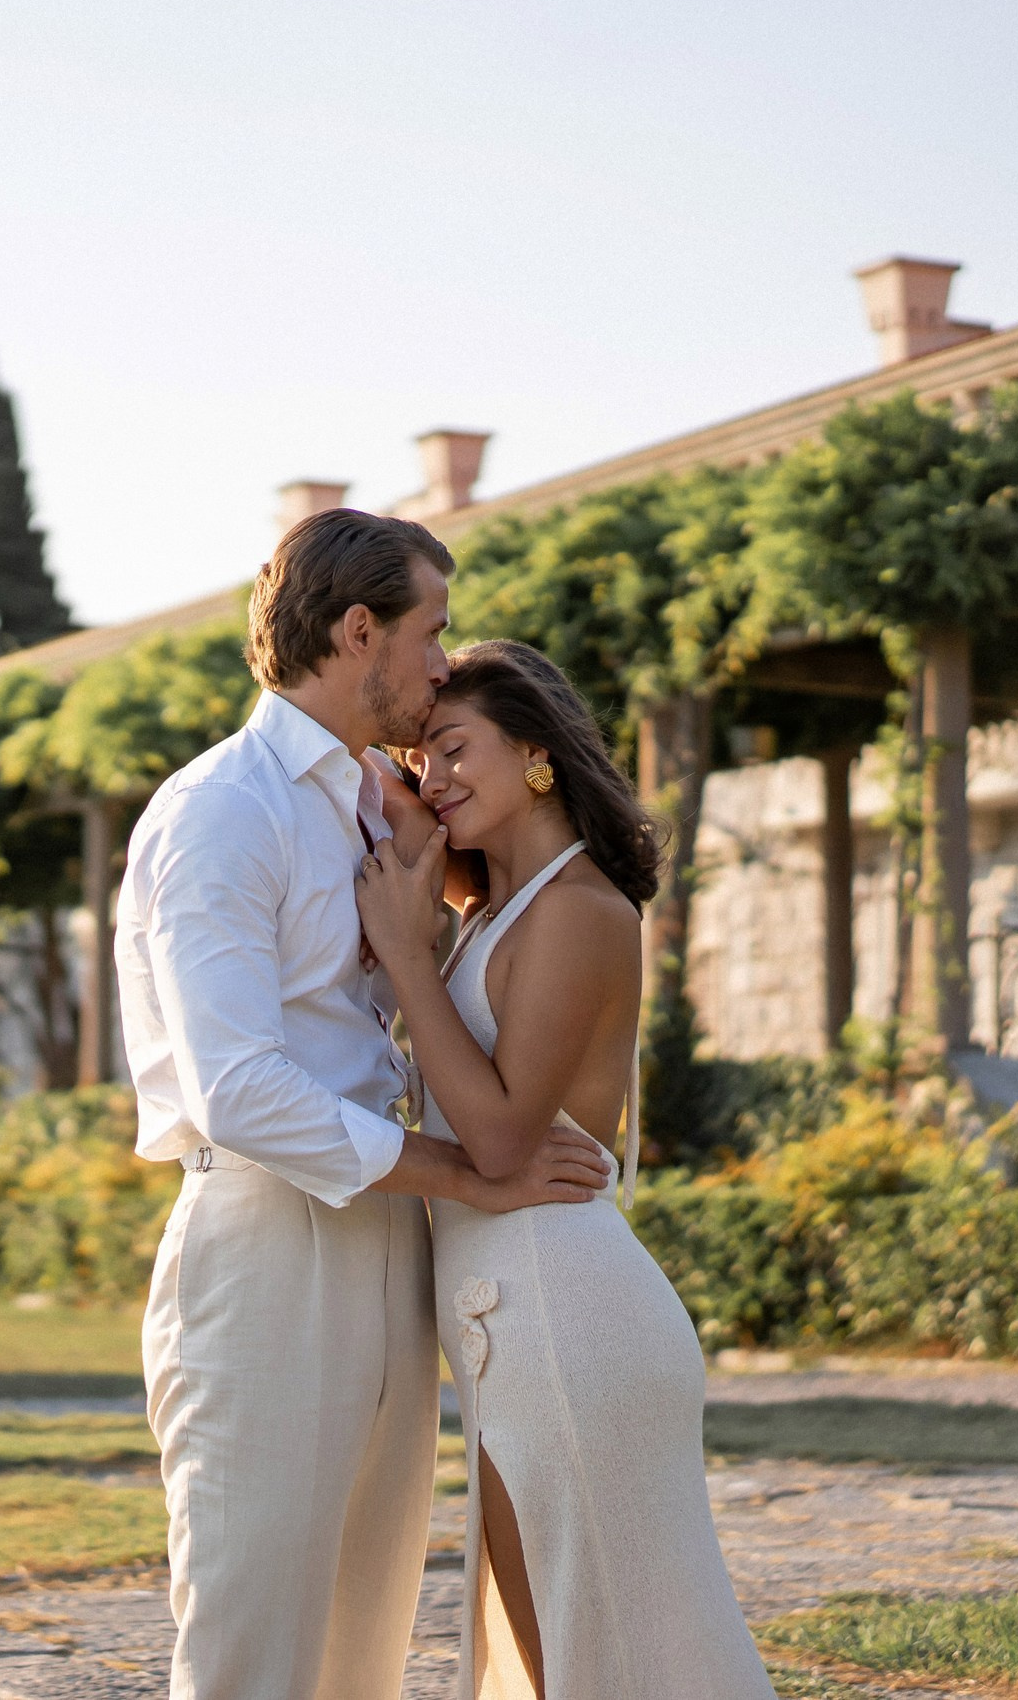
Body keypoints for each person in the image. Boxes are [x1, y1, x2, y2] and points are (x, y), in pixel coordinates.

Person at [117, 511, 616, 1700]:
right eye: (430, 633)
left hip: (387, 1239)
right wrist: (467, 1171)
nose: (443, 664)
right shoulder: (222, 808)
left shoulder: (373, 804)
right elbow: (236, 1087)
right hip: (266, 1244)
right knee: (252, 1651)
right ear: (357, 632)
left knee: (361, 1646)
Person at [356, 638, 775, 1700]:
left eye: (455, 749)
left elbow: (500, 1138)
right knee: (550, 1654)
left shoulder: (580, 909)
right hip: (513, 1319)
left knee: (599, 1657)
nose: (433, 777)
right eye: (420, 760)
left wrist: (406, 956)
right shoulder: (490, 914)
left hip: (566, 1313)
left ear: (537, 752)